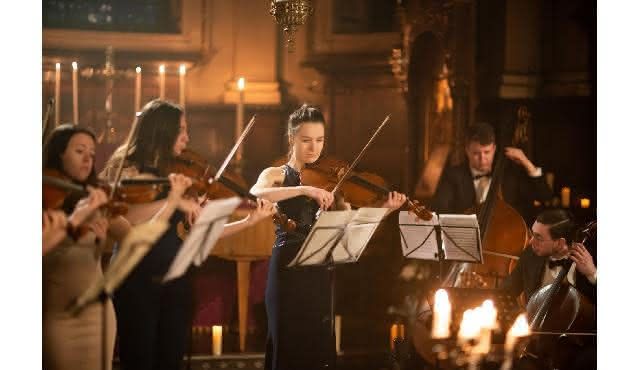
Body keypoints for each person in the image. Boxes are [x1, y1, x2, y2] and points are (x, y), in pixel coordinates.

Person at [101, 99, 276, 370]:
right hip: (135, 279)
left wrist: (251, 220)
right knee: (139, 359)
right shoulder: (128, 171)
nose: (187, 137)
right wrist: (172, 199)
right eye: (180, 129)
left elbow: (204, 231)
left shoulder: (178, 174)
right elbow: (126, 224)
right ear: (162, 131)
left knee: (171, 361)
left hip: (175, 278)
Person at [250, 103, 407, 370]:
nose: (314, 148)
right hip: (287, 274)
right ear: (292, 139)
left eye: (320, 140)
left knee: (318, 354)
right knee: (287, 353)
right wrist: (305, 190)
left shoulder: (331, 184)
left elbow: (352, 230)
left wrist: (384, 210)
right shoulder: (275, 174)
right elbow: (258, 193)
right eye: (307, 140)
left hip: (320, 275)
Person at [42, 123, 144, 370]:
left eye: (91, 153)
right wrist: (76, 218)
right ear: (59, 154)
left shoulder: (95, 199)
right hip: (57, 318)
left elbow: (135, 241)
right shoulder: (43, 198)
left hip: (98, 316)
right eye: (79, 151)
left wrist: (172, 201)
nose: (88, 159)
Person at [501, 209, 596, 370]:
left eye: (538, 237)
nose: (531, 241)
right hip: (535, 340)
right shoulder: (529, 256)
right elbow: (505, 293)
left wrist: (592, 274)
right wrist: (520, 319)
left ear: (560, 242)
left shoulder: (590, 257)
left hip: (578, 345)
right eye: (532, 234)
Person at [430, 122, 552, 223]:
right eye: (476, 153)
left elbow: (544, 196)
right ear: (467, 150)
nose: (482, 159)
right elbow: (439, 211)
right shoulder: (452, 176)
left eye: (487, 152)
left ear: (494, 148)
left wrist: (527, 163)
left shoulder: (509, 175)